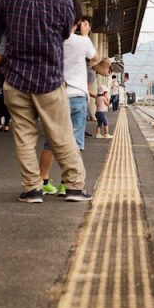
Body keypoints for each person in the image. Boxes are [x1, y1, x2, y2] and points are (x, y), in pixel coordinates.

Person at [0, 0, 91, 203]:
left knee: (24, 136)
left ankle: (32, 189)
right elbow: (62, 34)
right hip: (50, 78)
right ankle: (75, 187)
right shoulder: (65, 1)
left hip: (16, 77)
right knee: (62, 134)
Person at [40, 13, 101, 195]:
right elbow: (95, 58)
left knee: (50, 142)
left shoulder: (52, 38)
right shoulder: (82, 41)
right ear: (78, 24)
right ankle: (67, 184)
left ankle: (42, 181)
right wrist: (85, 35)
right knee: (75, 143)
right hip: (76, 97)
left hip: (55, 96)